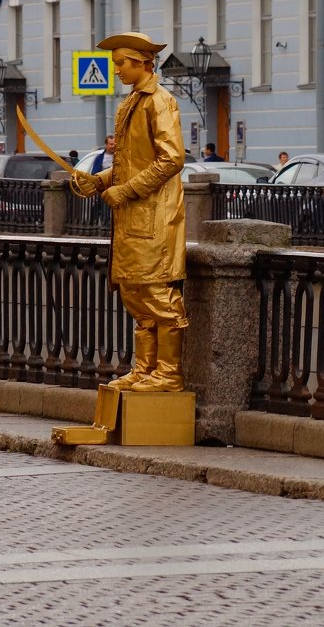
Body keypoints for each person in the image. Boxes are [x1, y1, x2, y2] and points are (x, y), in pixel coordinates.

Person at [73, 32, 188, 392]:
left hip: (155, 214)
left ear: (143, 63)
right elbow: (130, 163)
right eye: (115, 63)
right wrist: (100, 181)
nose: (116, 69)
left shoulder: (160, 102)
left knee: (157, 293)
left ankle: (167, 373)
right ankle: (144, 369)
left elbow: (172, 159)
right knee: (135, 295)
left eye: (121, 62)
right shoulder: (131, 103)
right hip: (133, 215)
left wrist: (125, 190)